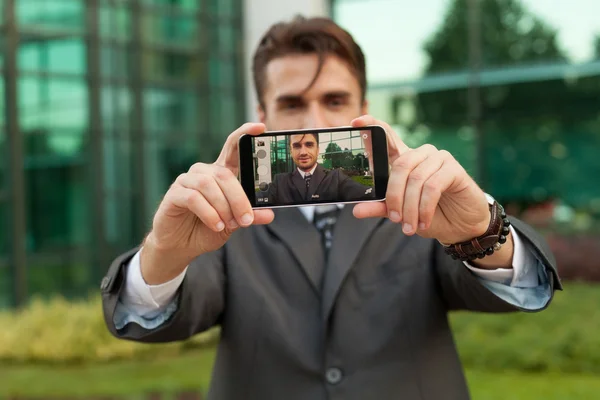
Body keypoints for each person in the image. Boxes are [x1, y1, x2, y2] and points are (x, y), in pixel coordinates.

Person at [101, 16, 561, 400]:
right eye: (292, 103)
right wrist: (164, 251)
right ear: (262, 114)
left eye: (334, 101)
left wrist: (480, 230)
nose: (314, 124)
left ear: (363, 107)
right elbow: (159, 317)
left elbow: (514, 290)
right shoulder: (227, 213)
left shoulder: (419, 203)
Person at [265, 133, 375, 205]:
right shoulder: (280, 182)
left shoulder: (336, 177)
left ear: (317, 150)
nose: (303, 152)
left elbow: (365, 193)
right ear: (291, 151)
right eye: (297, 146)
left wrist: (383, 186)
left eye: (309, 145)